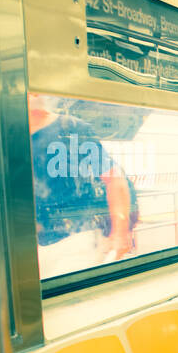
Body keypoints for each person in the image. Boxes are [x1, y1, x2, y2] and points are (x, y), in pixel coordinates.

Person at [28, 94, 136, 279]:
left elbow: (115, 179)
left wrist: (119, 231)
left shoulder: (72, 130)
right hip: (23, 249)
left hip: (73, 243)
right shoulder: (3, 138)